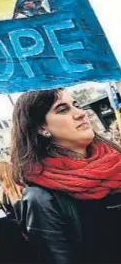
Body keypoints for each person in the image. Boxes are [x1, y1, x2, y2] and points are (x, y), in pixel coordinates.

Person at [11, 88, 121, 263]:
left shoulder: (117, 162)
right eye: (62, 109)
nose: (80, 113)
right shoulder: (41, 198)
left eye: (75, 105)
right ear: (41, 128)